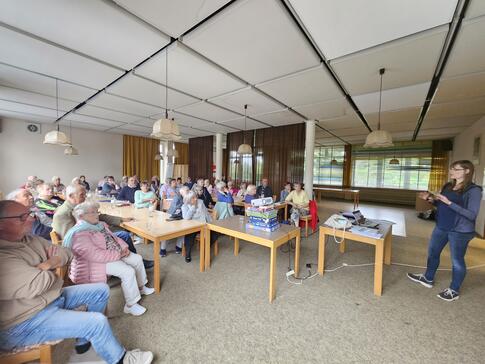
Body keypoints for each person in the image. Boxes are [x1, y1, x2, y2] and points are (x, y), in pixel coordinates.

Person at [0, 200, 153, 364]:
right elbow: (38, 283)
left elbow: (66, 252)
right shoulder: (4, 257)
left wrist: (48, 264)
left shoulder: (29, 239)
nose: (31, 219)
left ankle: (83, 342)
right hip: (24, 321)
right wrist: (54, 264)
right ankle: (121, 359)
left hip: (50, 298)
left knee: (101, 290)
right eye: (22, 217)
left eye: (29, 214)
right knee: (97, 322)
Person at [407, 160, 482, 301]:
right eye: (451, 168)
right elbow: (441, 204)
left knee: (457, 261)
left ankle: (454, 290)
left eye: (456, 169)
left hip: (460, 231)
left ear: (467, 171)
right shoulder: (448, 185)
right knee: (433, 253)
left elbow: (471, 214)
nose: (452, 171)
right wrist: (430, 198)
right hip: (441, 226)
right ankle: (428, 278)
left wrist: (449, 203)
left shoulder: (474, 190)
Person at [65, 201, 155, 316]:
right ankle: (130, 305)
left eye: (97, 211)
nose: (97, 214)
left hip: (114, 253)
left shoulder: (99, 225)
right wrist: (119, 254)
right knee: (127, 271)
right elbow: (95, 255)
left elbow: (115, 239)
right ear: (81, 216)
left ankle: (141, 286)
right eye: (93, 212)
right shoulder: (79, 233)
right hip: (94, 264)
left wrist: (124, 247)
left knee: (137, 259)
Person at [52, 185, 153, 270]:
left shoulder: (79, 207)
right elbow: (72, 240)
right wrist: (102, 235)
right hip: (89, 245)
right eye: (82, 195)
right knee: (121, 235)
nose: (85, 197)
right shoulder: (62, 214)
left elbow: (101, 216)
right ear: (71, 196)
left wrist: (121, 219)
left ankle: (135, 262)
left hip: (94, 237)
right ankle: (131, 263)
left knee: (124, 235)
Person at [181, 191, 219, 263]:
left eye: (196, 197)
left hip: (203, 225)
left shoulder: (200, 202)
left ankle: (205, 249)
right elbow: (186, 218)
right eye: (193, 198)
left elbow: (206, 214)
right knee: (189, 236)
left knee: (215, 233)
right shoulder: (184, 206)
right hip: (192, 227)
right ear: (188, 200)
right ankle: (188, 254)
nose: (196, 199)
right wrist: (192, 208)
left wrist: (211, 223)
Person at [160, 186, 190, 257]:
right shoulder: (177, 197)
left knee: (183, 230)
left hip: (183, 217)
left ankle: (178, 247)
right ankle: (162, 249)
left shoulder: (188, 197)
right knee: (166, 231)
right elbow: (173, 209)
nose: (188, 192)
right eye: (187, 191)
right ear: (182, 192)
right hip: (173, 216)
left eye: (188, 191)